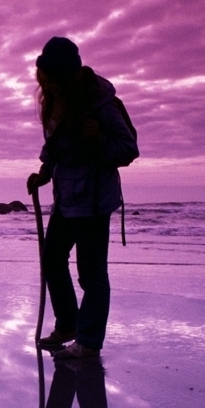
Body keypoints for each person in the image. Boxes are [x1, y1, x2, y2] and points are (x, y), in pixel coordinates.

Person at [27, 37, 138, 358]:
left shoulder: (100, 104)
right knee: (51, 259)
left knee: (91, 274)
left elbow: (128, 149)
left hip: (92, 200)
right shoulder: (52, 100)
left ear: (64, 75)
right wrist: (45, 171)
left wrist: (100, 140)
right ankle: (68, 324)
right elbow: (55, 143)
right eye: (41, 74)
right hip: (65, 197)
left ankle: (88, 342)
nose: (42, 81)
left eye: (47, 75)